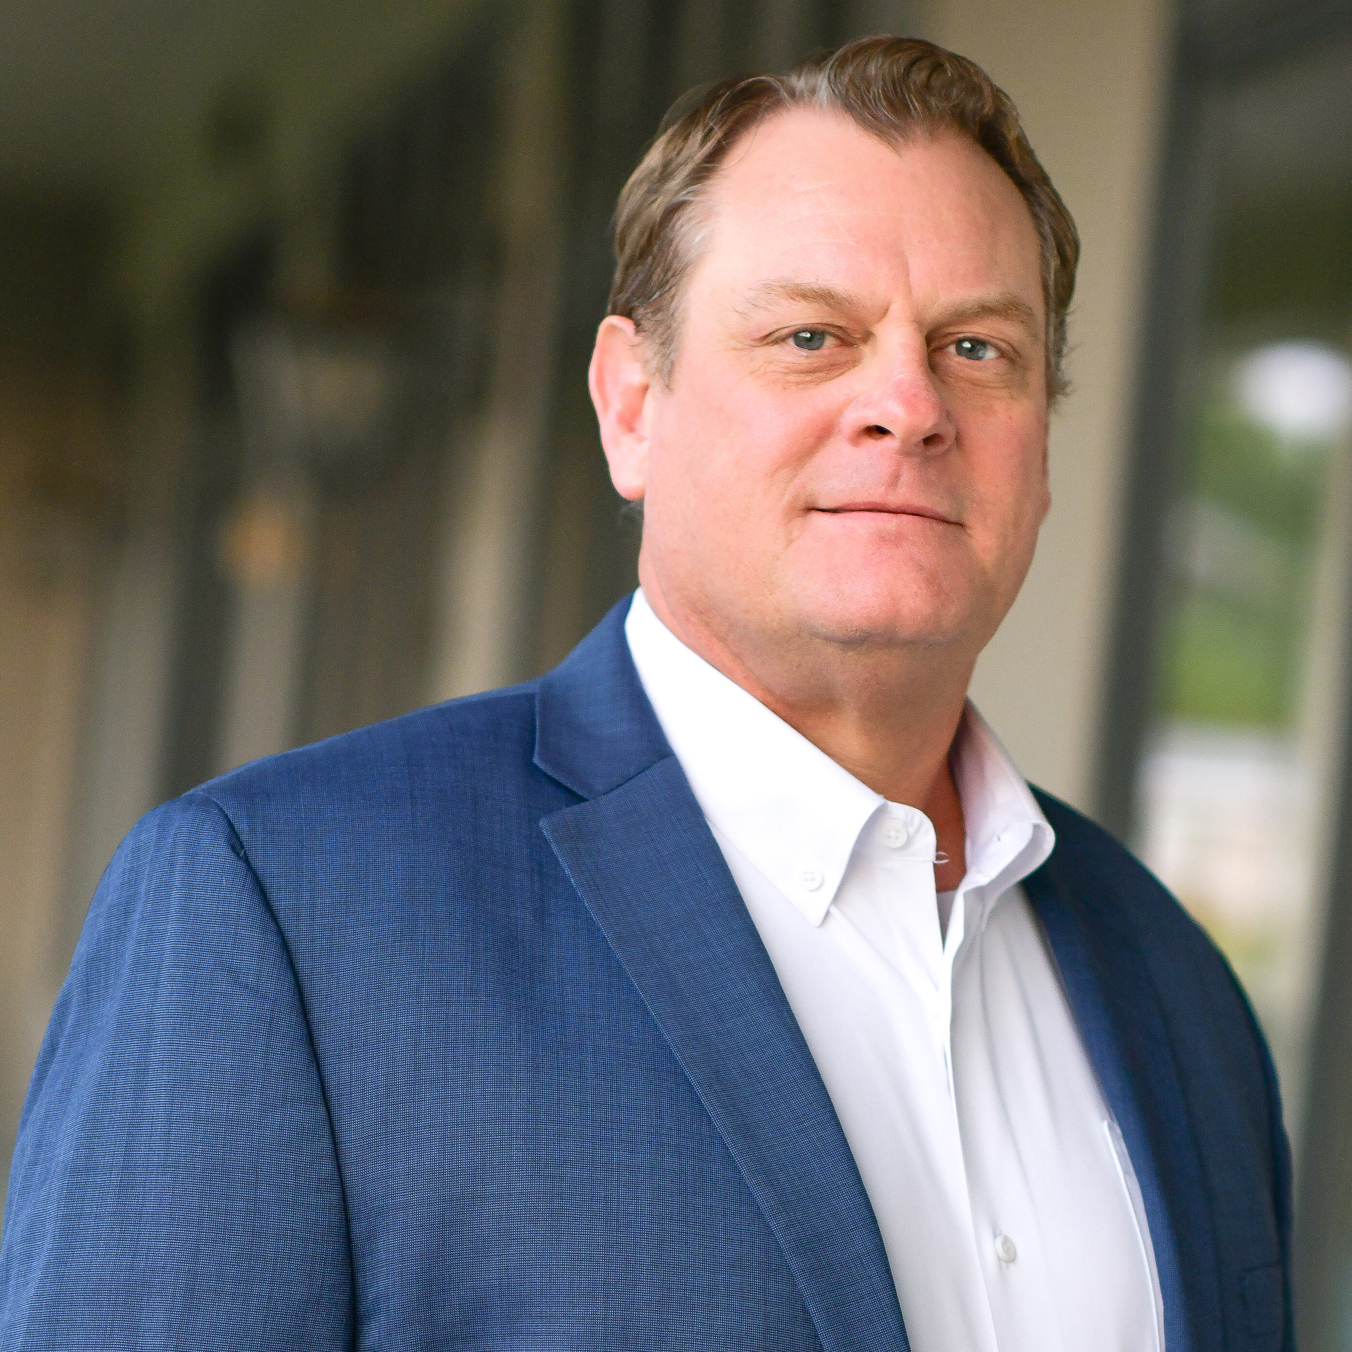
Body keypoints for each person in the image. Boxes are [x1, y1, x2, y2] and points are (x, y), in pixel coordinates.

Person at [1, 36, 1291, 1352]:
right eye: (810, 336)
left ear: (1044, 448)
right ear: (631, 405)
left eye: (976, 348)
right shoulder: (285, 914)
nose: (908, 404)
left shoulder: (1178, 991)